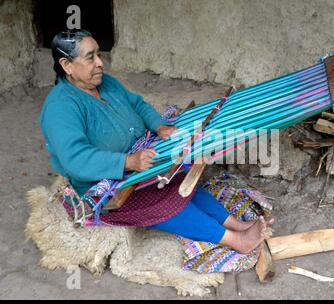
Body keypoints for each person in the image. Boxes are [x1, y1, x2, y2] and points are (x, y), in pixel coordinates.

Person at [40, 29, 272, 254]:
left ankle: (235, 223)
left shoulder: (105, 83)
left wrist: (158, 125)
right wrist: (128, 162)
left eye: (98, 54)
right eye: (90, 58)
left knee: (178, 181)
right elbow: (75, 158)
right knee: (159, 201)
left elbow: (138, 105)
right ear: (66, 65)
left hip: (139, 159)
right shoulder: (61, 107)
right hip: (105, 184)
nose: (100, 63)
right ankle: (234, 239)